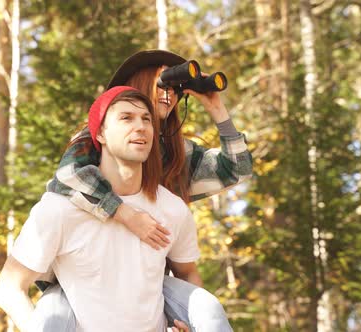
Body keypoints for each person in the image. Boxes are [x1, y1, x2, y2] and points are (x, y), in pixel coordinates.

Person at [40, 50, 250, 331]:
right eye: (161, 83)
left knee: (209, 313)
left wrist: (217, 110)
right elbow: (69, 176)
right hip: (82, 278)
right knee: (51, 319)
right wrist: (126, 214)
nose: (169, 94)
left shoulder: (176, 154)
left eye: (175, 88)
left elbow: (237, 169)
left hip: (145, 281)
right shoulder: (101, 137)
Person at [0, 87, 208, 331]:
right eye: (126, 118)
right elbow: (9, 287)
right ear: (101, 134)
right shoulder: (59, 210)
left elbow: (187, 274)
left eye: (146, 119)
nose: (140, 126)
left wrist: (188, 324)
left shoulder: (172, 209)